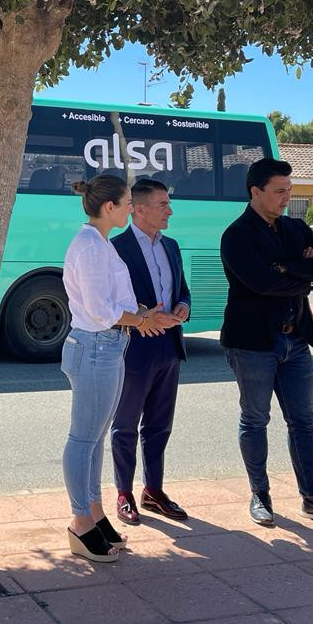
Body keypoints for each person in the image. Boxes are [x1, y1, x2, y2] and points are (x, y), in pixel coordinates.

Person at [220, 158, 313, 529]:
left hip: (295, 339)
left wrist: (284, 267)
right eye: (280, 191)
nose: (288, 197)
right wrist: (299, 272)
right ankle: (260, 495)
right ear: (256, 192)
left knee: (304, 421)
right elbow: (260, 283)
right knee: (255, 420)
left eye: (290, 189)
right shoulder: (236, 236)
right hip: (252, 343)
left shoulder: (297, 228)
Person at [61, 175, 178, 562]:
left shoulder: (99, 243)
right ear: (109, 207)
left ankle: (94, 514)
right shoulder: (91, 246)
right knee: (84, 439)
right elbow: (100, 311)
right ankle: (80, 523)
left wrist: (144, 314)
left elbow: (112, 303)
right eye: (128, 202)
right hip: (95, 347)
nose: (132, 207)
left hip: (107, 346)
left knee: (94, 439)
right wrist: (141, 321)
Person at [110, 178, 192, 525]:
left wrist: (184, 307)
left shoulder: (171, 246)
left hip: (169, 347)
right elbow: (111, 300)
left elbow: (182, 290)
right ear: (139, 209)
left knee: (160, 426)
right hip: (134, 347)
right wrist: (145, 314)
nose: (170, 210)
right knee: (125, 426)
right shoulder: (116, 248)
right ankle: (124, 493)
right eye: (163, 204)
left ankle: (153, 491)